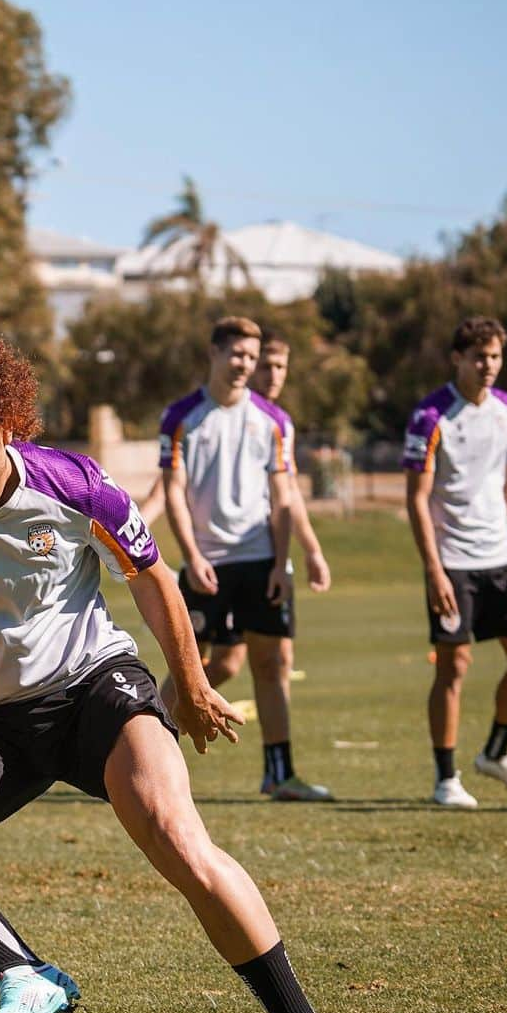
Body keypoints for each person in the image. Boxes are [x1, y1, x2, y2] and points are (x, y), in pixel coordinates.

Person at [0, 320, 365, 1013]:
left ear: (2, 425)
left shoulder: (75, 483)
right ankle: (24, 971)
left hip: (97, 690)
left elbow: (152, 579)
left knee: (179, 839)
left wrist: (188, 680)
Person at [141, 333, 330, 793]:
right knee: (195, 666)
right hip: (208, 564)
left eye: (252, 355)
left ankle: (280, 775)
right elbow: (171, 490)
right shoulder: (182, 416)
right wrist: (192, 555)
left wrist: (284, 563)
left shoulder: (273, 420)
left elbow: (284, 497)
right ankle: (141, 758)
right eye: (238, 354)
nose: (246, 363)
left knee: (269, 666)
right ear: (215, 354)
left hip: (261, 561)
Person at [403, 316, 507, 808]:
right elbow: (418, 499)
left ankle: (497, 753)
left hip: (502, 558)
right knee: (454, 666)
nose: (489, 366)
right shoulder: (430, 415)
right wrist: (434, 569)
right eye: (480, 356)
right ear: (458, 359)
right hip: (454, 561)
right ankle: (446, 778)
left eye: (496, 357)